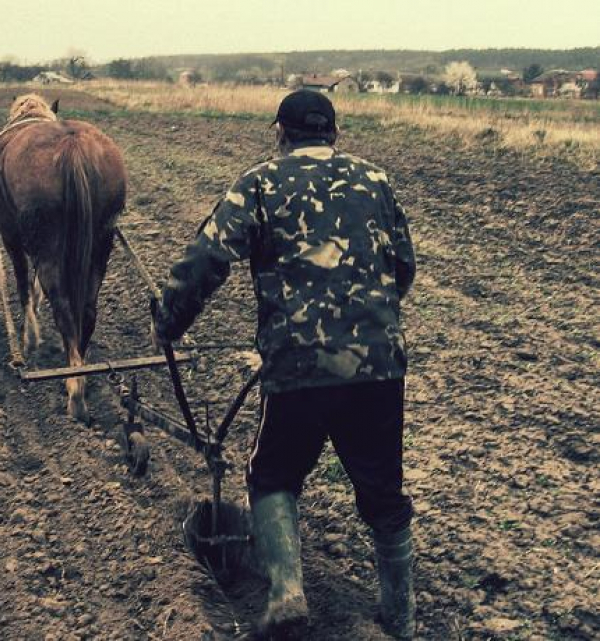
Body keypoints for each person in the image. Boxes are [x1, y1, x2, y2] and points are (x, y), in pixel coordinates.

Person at [151, 90, 417, 639]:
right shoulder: (377, 181)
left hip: (298, 364)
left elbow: (208, 259)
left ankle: (286, 593)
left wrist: (170, 322)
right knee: (382, 490)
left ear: (281, 132)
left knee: (272, 474)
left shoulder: (259, 183)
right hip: (379, 364)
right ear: (335, 133)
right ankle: (402, 618)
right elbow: (404, 266)